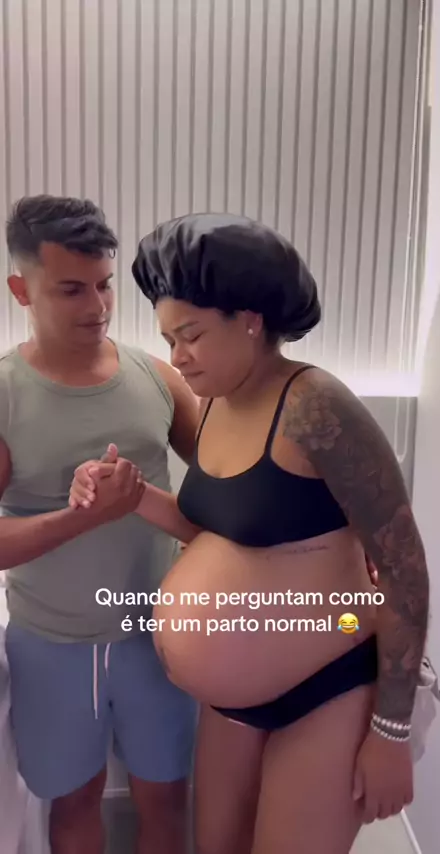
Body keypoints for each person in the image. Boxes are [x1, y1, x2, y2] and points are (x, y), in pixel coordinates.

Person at [70, 213, 430, 854]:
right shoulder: (213, 401)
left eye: (191, 336)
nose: (177, 357)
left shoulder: (316, 407)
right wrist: (133, 496)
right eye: (168, 338)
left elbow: (404, 570)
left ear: (250, 321)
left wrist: (390, 733)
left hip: (328, 686)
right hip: (232, 706)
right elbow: (224, 534)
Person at [0, 196, 201, 854]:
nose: (98, 306)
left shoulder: (155, 377)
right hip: (50, 643)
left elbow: (233, 486)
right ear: (22, 290)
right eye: (72, 289)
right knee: (75, 801)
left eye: (105, 285)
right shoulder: (5, 394)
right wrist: (82, 516)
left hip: (158, 635)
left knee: (167, 800)